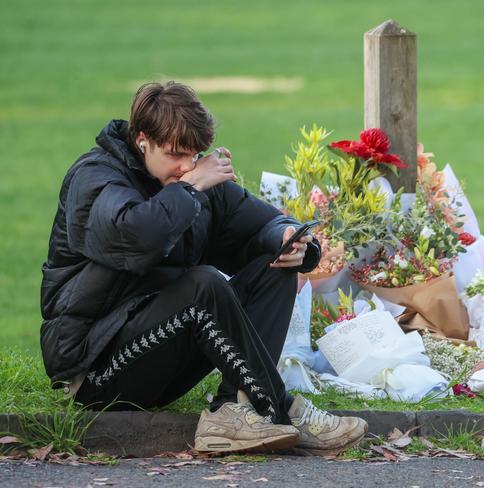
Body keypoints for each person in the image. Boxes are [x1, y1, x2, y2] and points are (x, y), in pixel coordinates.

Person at [40, 81, 367, 455]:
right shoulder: (96, 178)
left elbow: (261, 224)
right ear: (143, 139)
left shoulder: (192, 180)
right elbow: (138, 238)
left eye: (194, 156)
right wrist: (193, 185)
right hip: (94, 369)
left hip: (161, 352)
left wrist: (291, 239)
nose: (184, 166)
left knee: (273, 266)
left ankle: (236, 409)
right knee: (204, 285)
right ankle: (282, 408)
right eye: (175, 154)